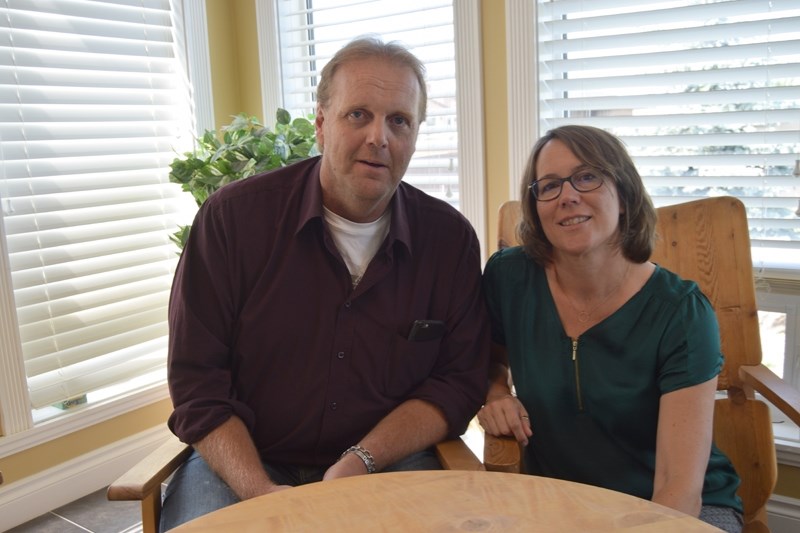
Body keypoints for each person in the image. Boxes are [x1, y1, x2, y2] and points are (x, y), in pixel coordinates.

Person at [161, 37, 489, 530]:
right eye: (358, 114)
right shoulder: (231, 221)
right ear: (320, 124)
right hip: (248, 461)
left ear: (416, 134)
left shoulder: (450, 241)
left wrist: (360, 460)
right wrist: (264, 495)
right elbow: (197, 381)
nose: (379, 137)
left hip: (386, 460)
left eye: (399, 120)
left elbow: (457, 382)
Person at [476, 125, 743, 532]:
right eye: (549, 185)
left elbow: (678, 490)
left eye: (587, 177)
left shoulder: (681, 312)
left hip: (677, 511)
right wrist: (496, 392)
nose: (567, 196)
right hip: (558, 504)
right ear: (536, 208)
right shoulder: (509, 277)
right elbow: (491, 361)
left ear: (624, 195)